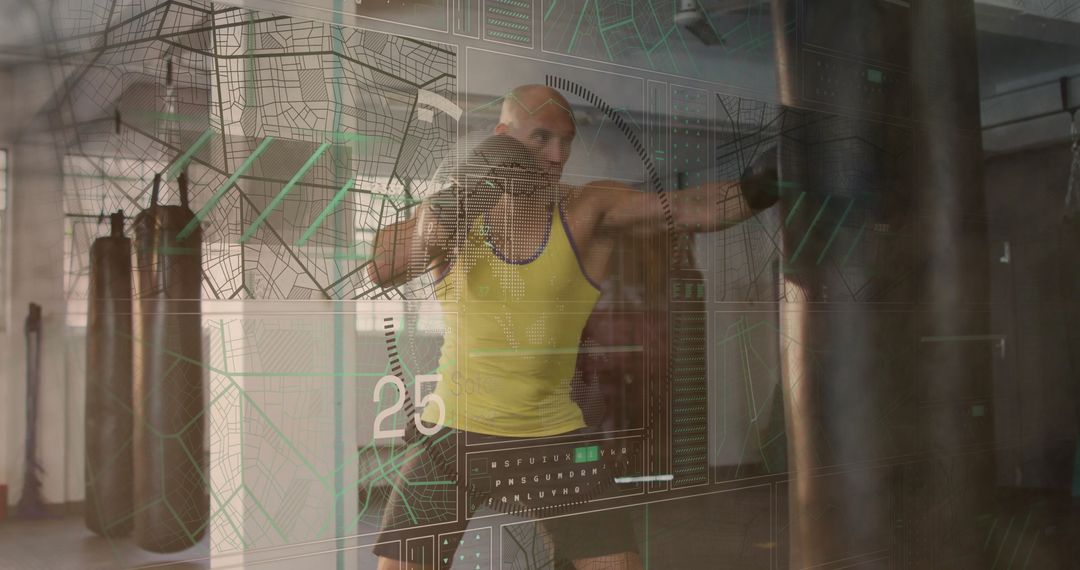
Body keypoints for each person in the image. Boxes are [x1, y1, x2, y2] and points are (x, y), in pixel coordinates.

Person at [368, 84, 778, 570]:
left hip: (552, 438)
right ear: (503, 136)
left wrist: (763, 185)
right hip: (453, 435)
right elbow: (383, 268)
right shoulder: (456, 216)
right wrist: (453, 202)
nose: (557, 155)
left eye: (566, 141)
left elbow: (688, 206)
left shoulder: (586, 209)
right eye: (541, 138)